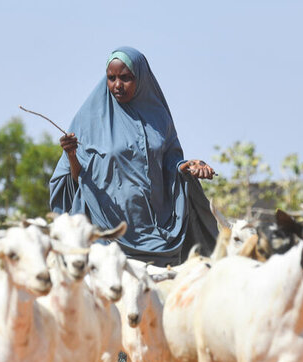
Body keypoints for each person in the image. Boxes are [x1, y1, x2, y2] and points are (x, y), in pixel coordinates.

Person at [49, 46, 219, 264]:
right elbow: (75, 179)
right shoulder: (89, 120)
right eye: (111, 78)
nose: (117, 85)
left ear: (141, 78)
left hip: (156, 235)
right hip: (105, 234)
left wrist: (188, 167)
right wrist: (71, 154)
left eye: (126, 78)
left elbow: (170, 164)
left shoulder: (159, 119)